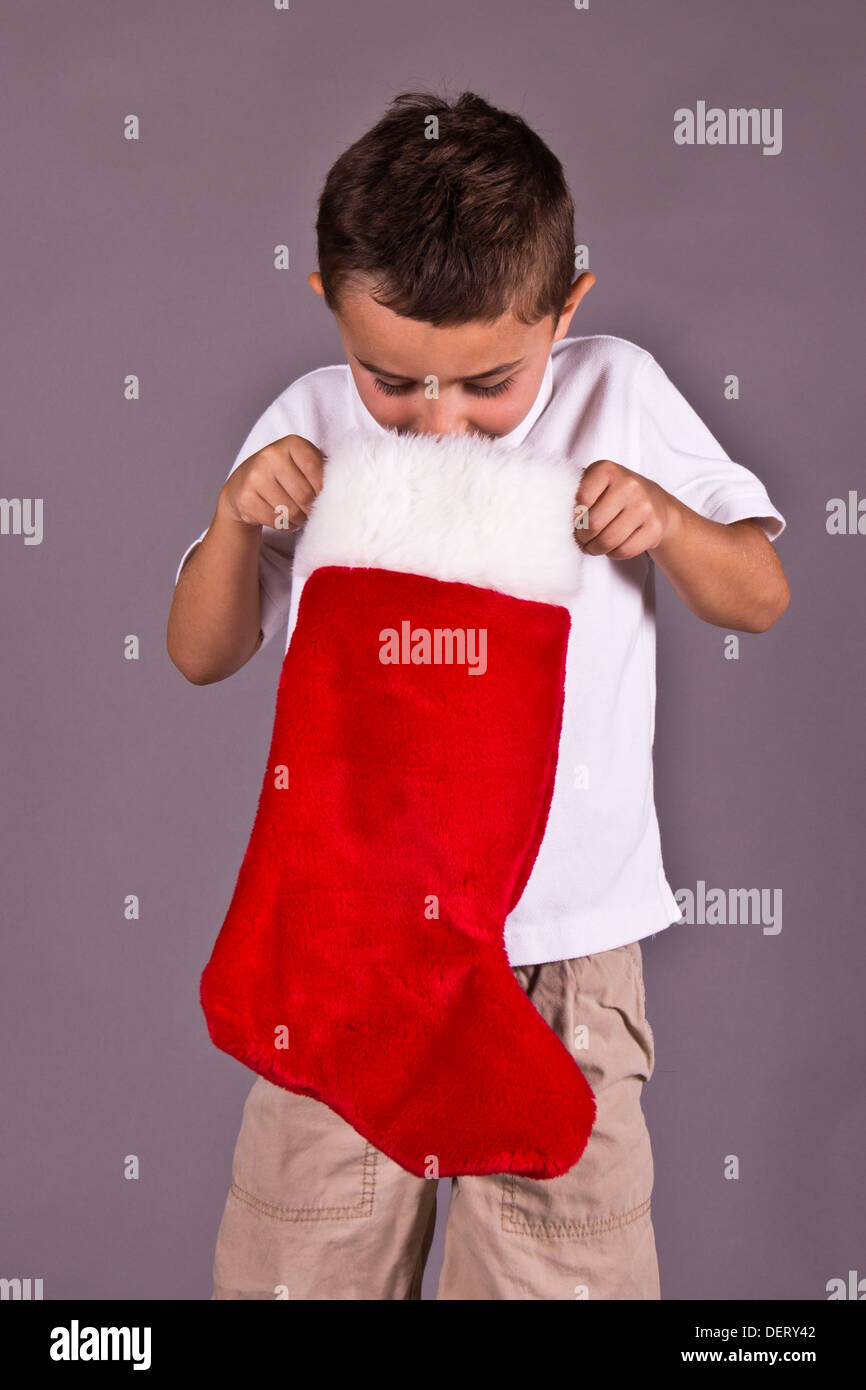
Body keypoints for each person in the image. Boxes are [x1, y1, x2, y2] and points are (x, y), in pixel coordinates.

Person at [166, 89, 789, 1300]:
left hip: (561, 960)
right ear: (326, 308)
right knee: (299, 1261)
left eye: (486, 382)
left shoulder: (617, 392)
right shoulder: (306, 427)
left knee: (560, 1274)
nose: (437, 424)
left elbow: (757, 593)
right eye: (390, 381)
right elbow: (201, 651)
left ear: (567, 310)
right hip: (349, 951)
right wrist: (233, 518)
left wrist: (661, 521)